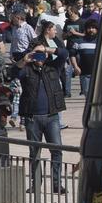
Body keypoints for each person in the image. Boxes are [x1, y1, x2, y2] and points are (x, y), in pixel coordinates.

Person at [17, 46, 69, 194]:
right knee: (34, 152)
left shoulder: (53, 67)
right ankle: (36, 183)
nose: (39, 59)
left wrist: (46, 48)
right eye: (37, 56)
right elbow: (13, 73)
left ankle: (57, 183)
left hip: (51, 117)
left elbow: (65, 53)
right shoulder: (27, 70)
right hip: (32, 118)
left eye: (42, 55)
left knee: (57, 150)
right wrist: (24, 59)